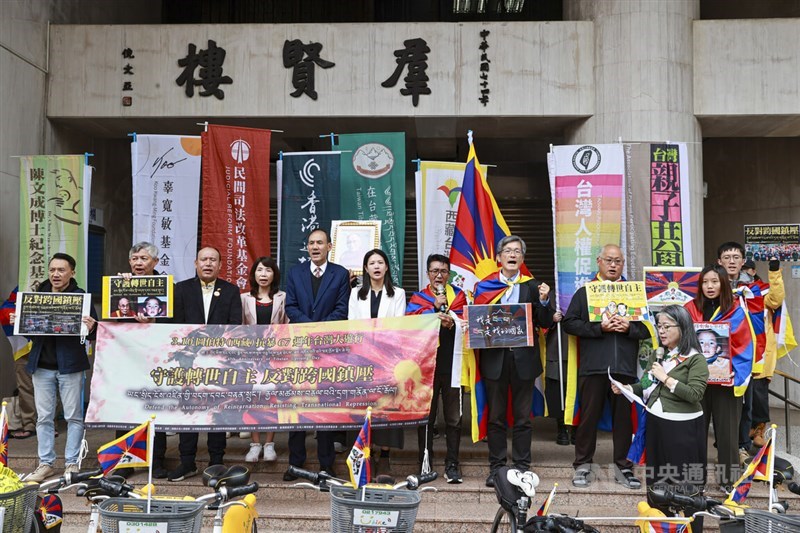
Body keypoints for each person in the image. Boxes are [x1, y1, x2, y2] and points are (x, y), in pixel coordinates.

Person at [562, 244, 651, 489]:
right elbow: (569, 323)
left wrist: (630, 328)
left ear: (623, 264)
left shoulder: (633, 293)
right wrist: (598, 328)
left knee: (624, 420)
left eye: (618, 261)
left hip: (624, 368)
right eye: (609, 260)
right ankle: (582, 465)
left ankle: (624, 468)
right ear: (599, 262)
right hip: (593, 366)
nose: (613, 265)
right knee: (588, 417)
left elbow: (648, 328)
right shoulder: (586, 292)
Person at [613, 305, 708, 527]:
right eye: (659, 326)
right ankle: (658, 526)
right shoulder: (662, 353)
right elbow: (647, 382)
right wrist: (627, 387)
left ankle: (689, 528)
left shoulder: (696, 359)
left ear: (683, 327)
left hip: (683, 430)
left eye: (666, 326)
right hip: (657, 424)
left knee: (685, 485)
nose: (661, 331)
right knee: (657, 482)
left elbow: (695, 394)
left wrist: (666, 378)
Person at [473, 236, 554, 487]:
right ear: (499, 257)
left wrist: (544, 302)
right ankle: (497, 468)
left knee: (522, 417)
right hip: (495, 359)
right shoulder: (484, 287)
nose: (512, 254)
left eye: (517, 251)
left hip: (524, 360)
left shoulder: (534, 286)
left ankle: (521, 467)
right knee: (496, 417)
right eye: (507, 250)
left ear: (522, 258)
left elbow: (545, 322)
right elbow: (477, 322)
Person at [20, 253, 98, 482]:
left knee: (74, 416)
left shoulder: (80, 297)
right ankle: (46, 463)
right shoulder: (36, 296)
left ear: (72, 273)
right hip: (41, 366)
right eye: (52, 269)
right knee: (43, 417)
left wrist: (92, 327)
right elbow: (29, 334)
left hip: (71, 365)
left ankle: (72, 463)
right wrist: (21, 321)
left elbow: (93, 331)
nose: (55, 274)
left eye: (61, 270)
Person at [168, 246, 243, 482]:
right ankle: (187, 461)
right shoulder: (180, 289)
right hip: (188, 362)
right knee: (189, 408)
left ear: (220, 265)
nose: (208, 263)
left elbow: (234, 326)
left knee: (216, 410)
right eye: (204, 259)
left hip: (217, 361)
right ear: (195, 263)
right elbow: (175, 326)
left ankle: (216, 462)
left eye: (213, 259)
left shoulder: (231, 291)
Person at [283, 228, 350, 481]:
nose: (315, 247)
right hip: (299, 348)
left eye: (319, 243)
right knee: (297, 405)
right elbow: (291, 306)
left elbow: (342, 309)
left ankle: (326, 464)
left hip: (329, 349)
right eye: (311, 243)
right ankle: (295, 463)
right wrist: (308, 328)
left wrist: (319, 331)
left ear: (329, 246)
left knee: (325, 408)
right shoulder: (295, 273)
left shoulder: (340, 274)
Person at [685, 264, 753, 490]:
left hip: (726, 382)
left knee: (728, 437)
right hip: (696, 383)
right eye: (705, 282)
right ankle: (695, 481)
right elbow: (678, 342)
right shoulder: (689, 309)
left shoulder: (735, 310)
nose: (710, 286)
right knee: (694, 434)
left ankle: (729, 481)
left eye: (714, 281)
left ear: (723, 283)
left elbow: (744, 347)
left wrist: (737, 372)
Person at [717, 242, 784, 462]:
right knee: (720, 405)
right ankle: (724, 446)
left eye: (736, 257)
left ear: (743, 261)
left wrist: (774, 270)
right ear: (720, 261)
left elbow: (775, 299)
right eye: (727, 257)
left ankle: (742, 446)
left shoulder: (755, 289)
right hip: (719, 354)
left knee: (746, 404)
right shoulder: (712, 286)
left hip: (746, 354)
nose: (732, 261)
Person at [406, 253, 468, 484]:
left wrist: (452, 319)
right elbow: (410, 323)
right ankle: (425, 461)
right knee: (427, 418)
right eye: (435, 271)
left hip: (452, 364)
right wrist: (434, 311)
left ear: (449, 273)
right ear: (428, 273)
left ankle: (452, 464)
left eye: (443, 271)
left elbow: (466, 320)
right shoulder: (420, 297)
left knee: (454, 418)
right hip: (426, 368)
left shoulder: (459, 296)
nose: (439, 275)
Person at [348, 249, 406, 478]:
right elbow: (353, 325)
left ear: (387, 267)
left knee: (387, 407)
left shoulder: (398, 293)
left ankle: (385, 456)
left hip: (388, 358)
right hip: (362, 358)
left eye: (380, 262)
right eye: (371, 263)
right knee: (364, 407)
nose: (376, 267)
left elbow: (398, 325)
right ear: (365, 268)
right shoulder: (355, 294)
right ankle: (365, 454)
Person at [240, 256, 287, 463]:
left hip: (275, 357)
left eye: (268, 271)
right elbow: (239, 327)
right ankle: (254, 444)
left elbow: (287, 325)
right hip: (251, 357)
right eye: (260, 270)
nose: (263, 275)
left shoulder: (283, 297)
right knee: (253, 400)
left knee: (271, 400)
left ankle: (269, 444)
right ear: (254, 274)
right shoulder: (244, 298)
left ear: (274, 274)